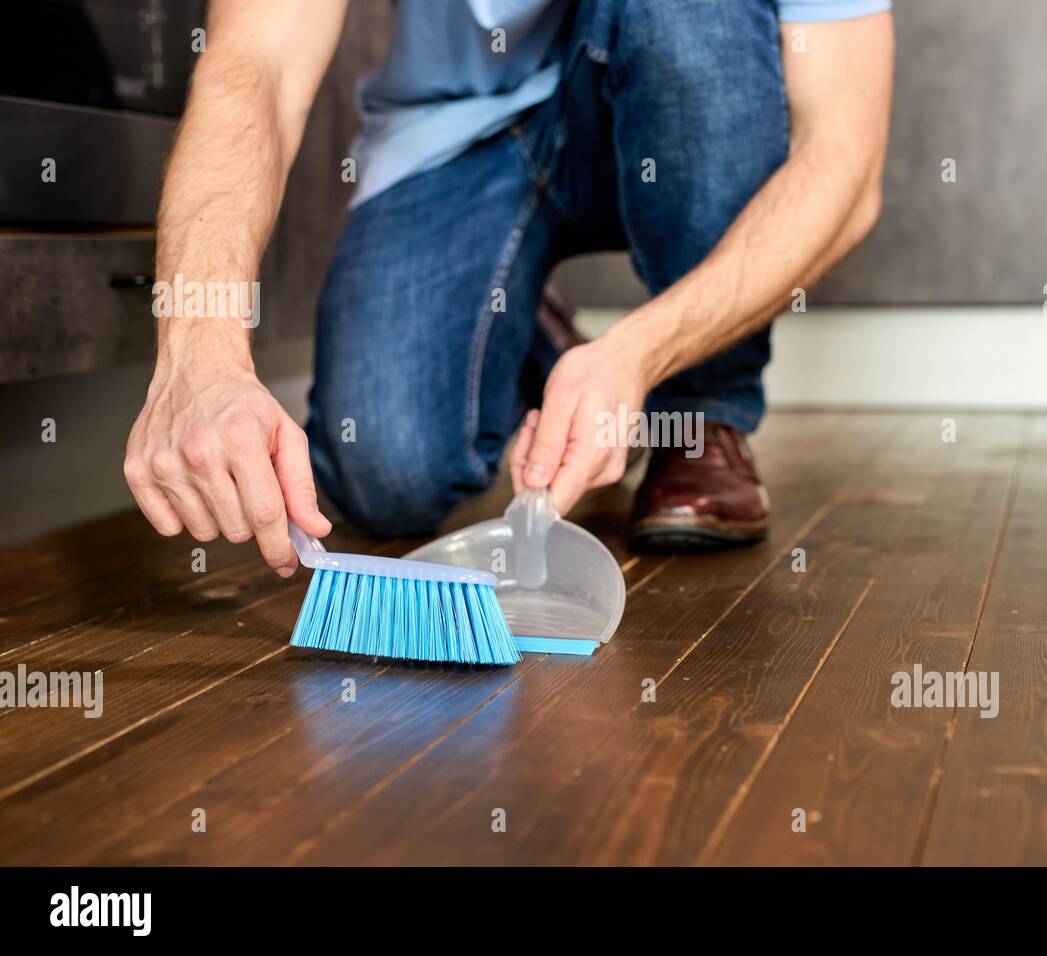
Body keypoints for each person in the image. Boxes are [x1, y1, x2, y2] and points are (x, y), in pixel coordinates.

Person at [124, 0, 894, 575]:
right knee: (389, 474)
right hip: (461, 130)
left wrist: (640, 352)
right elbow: (256, 66)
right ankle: (526, 329)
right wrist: (201, 349)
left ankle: (699, 413)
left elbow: (845, 163)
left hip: (670, 88)